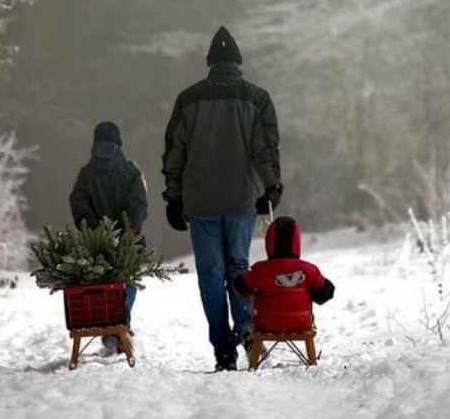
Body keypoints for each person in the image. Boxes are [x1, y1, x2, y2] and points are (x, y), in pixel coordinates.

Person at [162, 26, 282, 371]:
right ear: (239, 63)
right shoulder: (257, 98)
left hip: (201, 201)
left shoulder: (188, 99)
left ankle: (222, 348)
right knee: (238, 269)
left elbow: (175, 152)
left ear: (210, 63)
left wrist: (174, 197)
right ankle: (245, 329)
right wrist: (272, 187)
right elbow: (265, 148)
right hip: (242, 199)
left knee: (211, 276)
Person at [69, 121, 147, 343]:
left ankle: (109, 325)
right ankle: (121, 323)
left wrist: (94, 232)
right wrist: (128, 229)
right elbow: (139, 204)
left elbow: (79, 205)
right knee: (128, 281)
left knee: (101, 285)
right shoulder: (131, 171)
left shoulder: (85, 175)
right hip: (128, 240)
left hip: (96, 244)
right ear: (119, 143)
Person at [232, 216, 335, 339]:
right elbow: (326, 293)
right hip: (300, 324)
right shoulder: (308, 270)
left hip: (266, 325)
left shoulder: (261, 270)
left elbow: (239, 286)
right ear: (297, 242)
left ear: (269, 242)